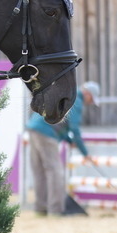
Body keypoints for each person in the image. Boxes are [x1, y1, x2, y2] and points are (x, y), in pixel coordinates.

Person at [26, 81, 101, 216]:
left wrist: (69, 140)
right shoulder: (76, 100)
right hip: (47, 133)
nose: (90, 102)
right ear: (88, 93)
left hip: (33, 128)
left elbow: (62, 124)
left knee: (39, 171)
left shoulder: (65, 93)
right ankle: (56, 210)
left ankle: (40, 208)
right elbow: (74, 128)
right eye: (92, 99)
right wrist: (85, 153)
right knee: (55, 171)